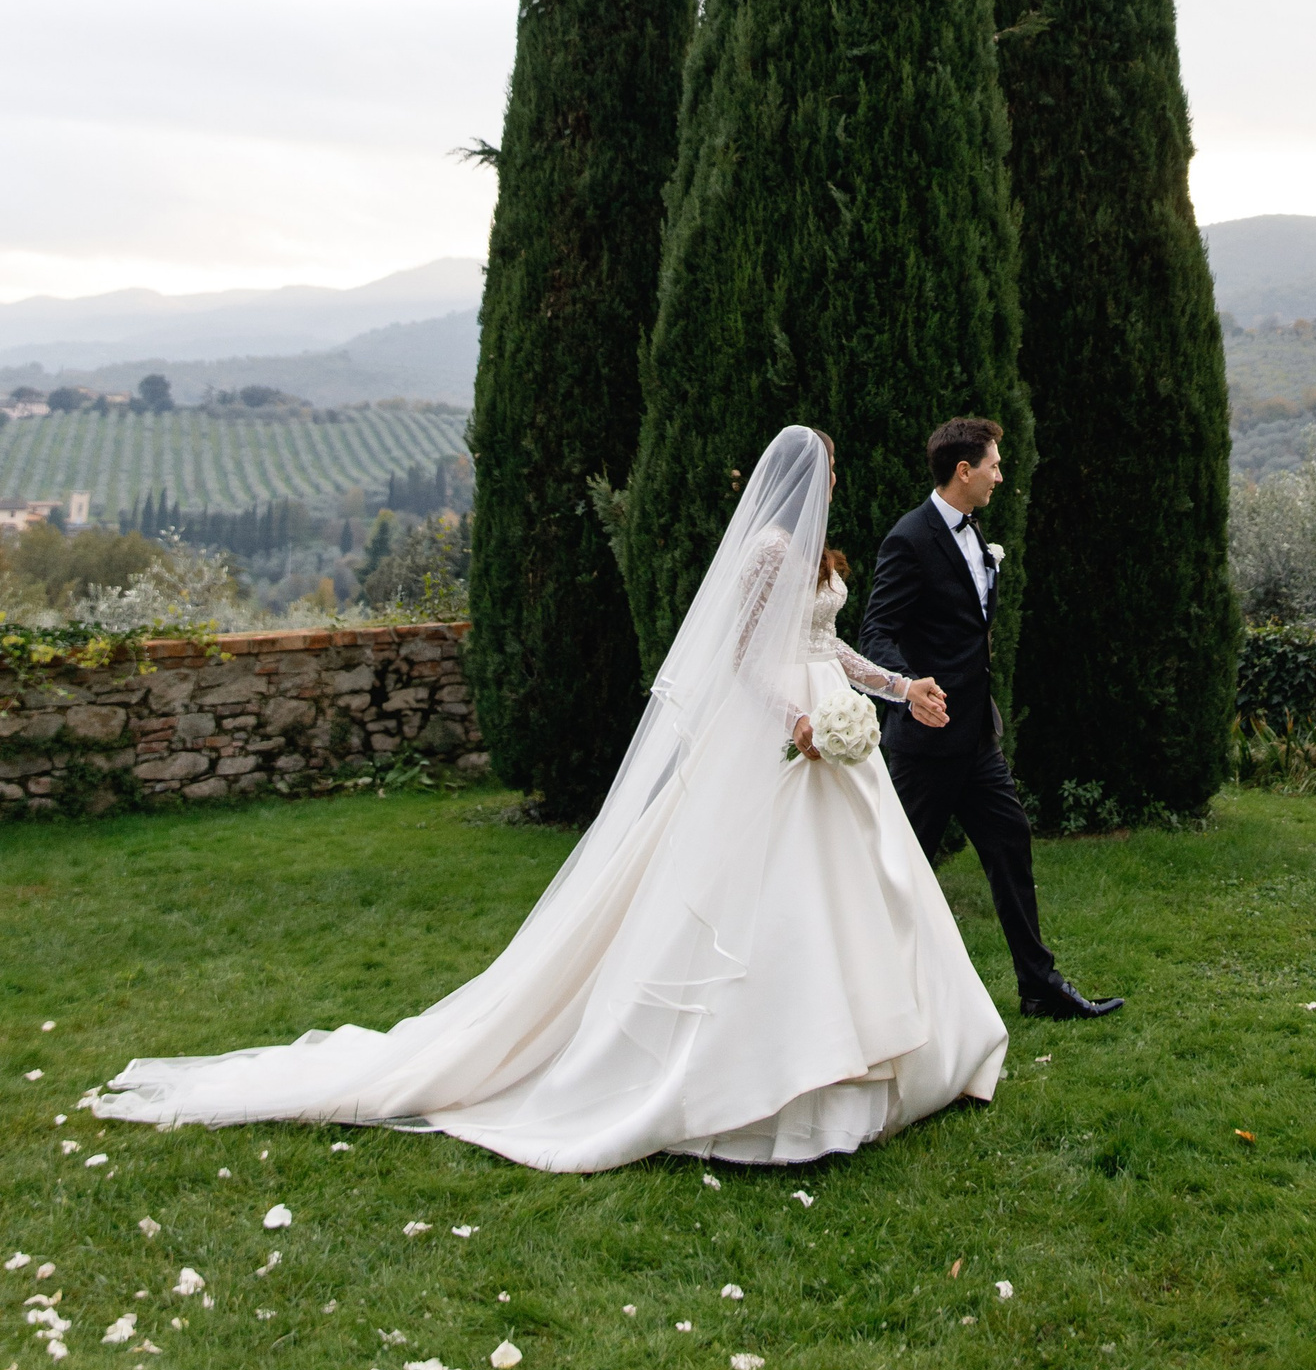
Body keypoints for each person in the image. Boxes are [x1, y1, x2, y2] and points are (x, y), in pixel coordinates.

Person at [89, 428, 1006, 1170]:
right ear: (803, 479)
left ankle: (872, 1065)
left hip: (833, 736)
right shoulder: (768, 549)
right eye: (829, 470)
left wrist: (898, 686)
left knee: (857, 895)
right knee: (774, 908)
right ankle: (773, 1088)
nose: (833, 482)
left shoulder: (819, 556)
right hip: (788, 740)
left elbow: (824, 646)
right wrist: (798, 722)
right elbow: (744, 656)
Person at [861, 416, 1123, 1022]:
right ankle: (868, 996)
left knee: (1010, 840)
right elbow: (877, 633)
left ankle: (1039, 987)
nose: (1000, 476)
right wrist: (908, 689)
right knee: (899, 870)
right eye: (994, 466)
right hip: (926, 744)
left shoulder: (975, 533)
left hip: (977, 737)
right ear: (964, 471)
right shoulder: (909, 539)